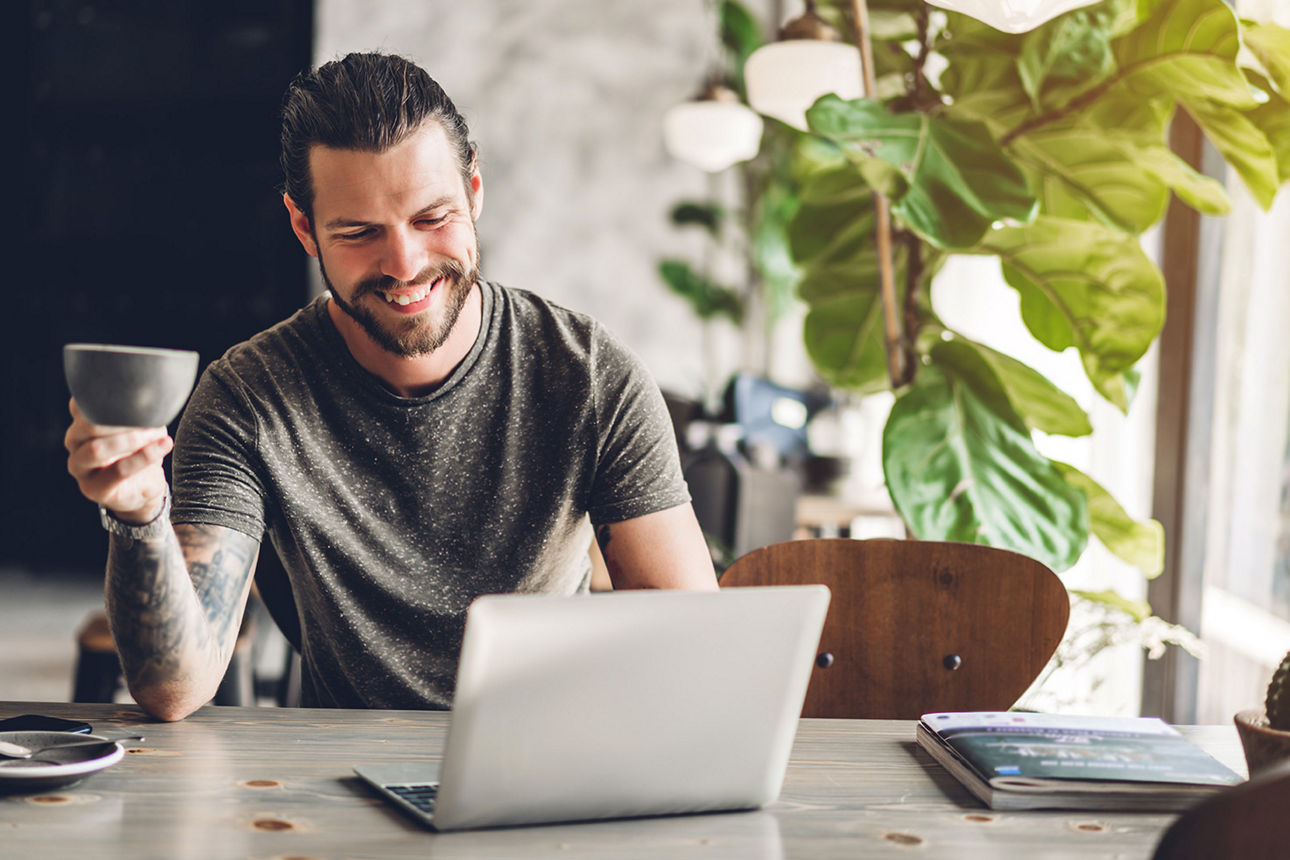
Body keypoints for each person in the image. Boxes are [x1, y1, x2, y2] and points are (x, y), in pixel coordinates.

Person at [64, 52, 716, 721]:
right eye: (359, 233)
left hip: (548, 762)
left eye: (433, 218)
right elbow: (175, 689)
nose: (404, 264)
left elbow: (694, 647)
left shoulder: (587, 376)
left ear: (475, 193)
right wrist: (141, 515)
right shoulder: (246, 398)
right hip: (343, 783)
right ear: (304, 227)